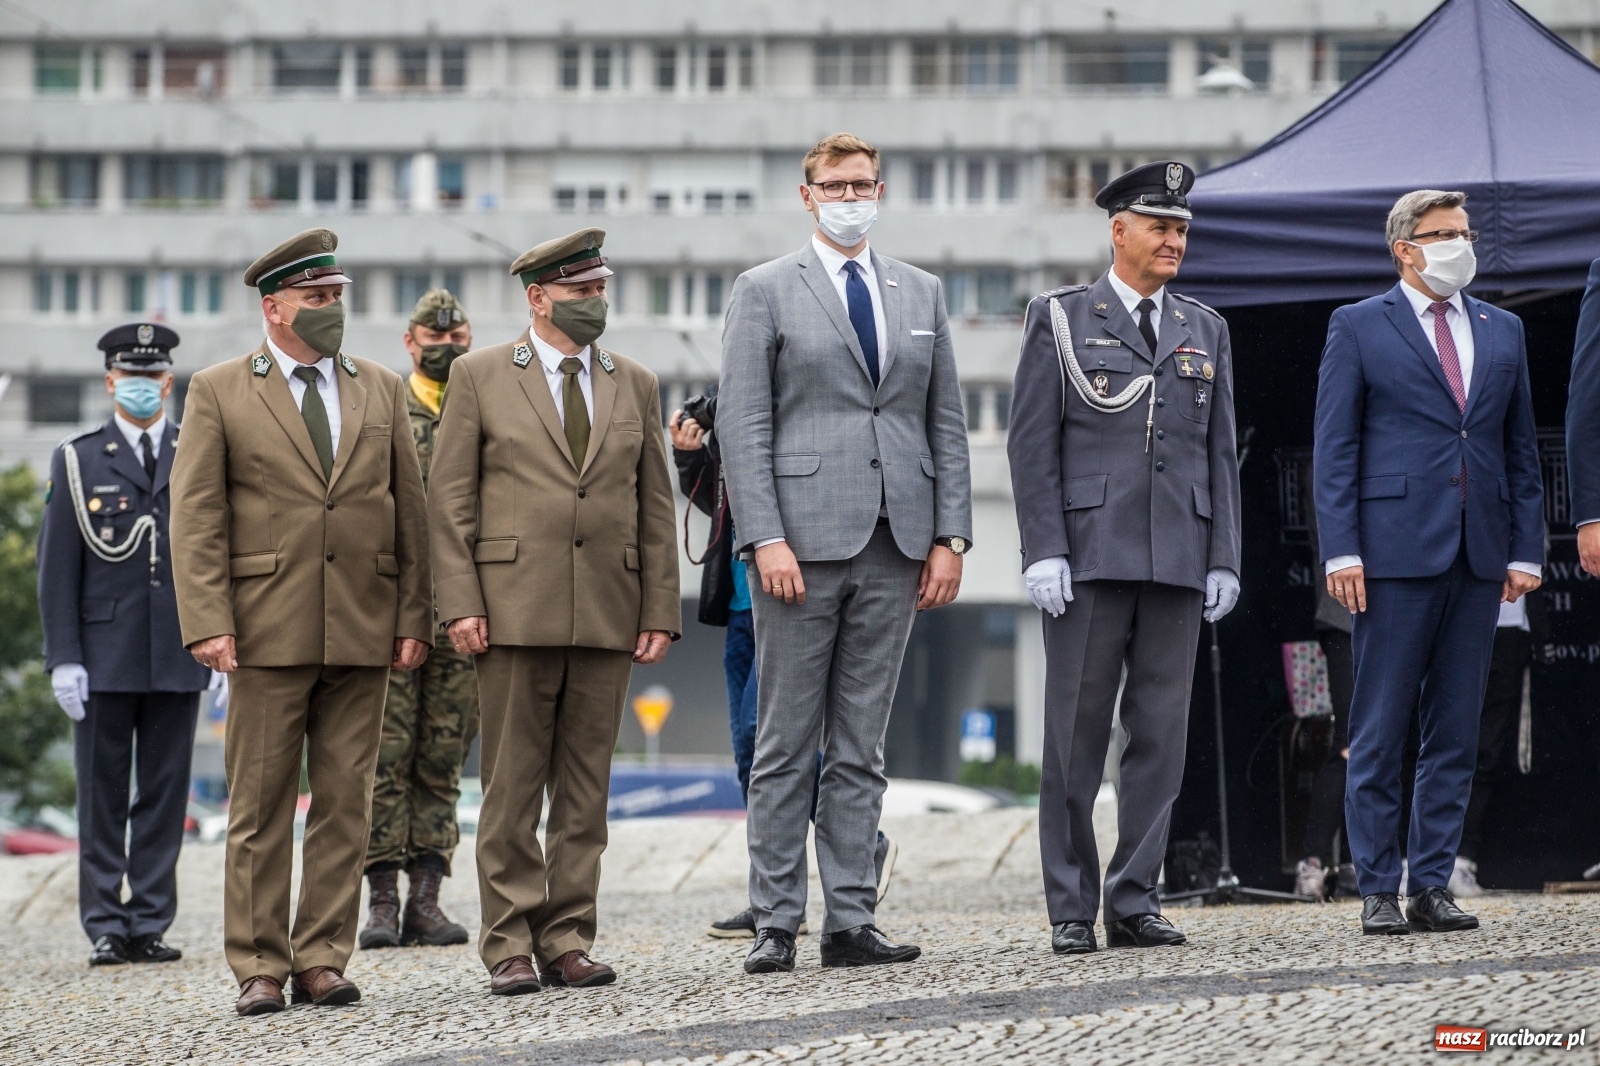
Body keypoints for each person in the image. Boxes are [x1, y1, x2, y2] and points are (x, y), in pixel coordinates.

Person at [718, 132, 972, 975]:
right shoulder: (762, 291)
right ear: (807, 194)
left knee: (863, 745)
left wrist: (950, 536)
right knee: (786, 743)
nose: (850, 195)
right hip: (800, 541)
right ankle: (776, 920)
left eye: (862, 183)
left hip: (897, 540)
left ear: (882, 189)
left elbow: (945, 422)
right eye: (835, 184)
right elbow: (742, 425)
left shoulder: (921, 291)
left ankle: (851, 919)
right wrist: (764, 537)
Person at [170, 228, 433, 1015]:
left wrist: (412, 612)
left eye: (337, 298)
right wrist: (208, 621)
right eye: (316, 299)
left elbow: (408, 512)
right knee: (258, 804)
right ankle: (258, 963)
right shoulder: (219, 388)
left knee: (346, 803)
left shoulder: (379, 386)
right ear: (274, 307)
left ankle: (322, 956)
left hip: (362, 623)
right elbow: (197, 516)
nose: (331, 311)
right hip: (262, 628)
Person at [427, 227, 680, 996]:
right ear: (537, 298)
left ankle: (568, 936)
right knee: (510, 787)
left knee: (584, 793)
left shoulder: (632, 379)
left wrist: (658, 608)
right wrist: (460, 602)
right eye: (579, 291)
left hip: (607, 609)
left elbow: (654, 503)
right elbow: (450, 500)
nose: (593, 302)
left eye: (600, 288)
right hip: (510, 610)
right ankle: (507, 941)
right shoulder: (478, 376)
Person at [1008, 161, 1242, 956]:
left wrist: (1224, 556)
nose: (1174, 240)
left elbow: (1218, 455)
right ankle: (1071, 904)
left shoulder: (1205, 328)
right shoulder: (1064, 317)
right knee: (1074, 738)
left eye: (1181, 229)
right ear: (1119, 230)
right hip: (1091, 556)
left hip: (1178, 554)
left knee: (1160, 737)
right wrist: (1044, 549)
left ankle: (1135, 897)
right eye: (1159, 227)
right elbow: (1032, 444)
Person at [1313, 190, 1544, 937]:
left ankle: (1432, 883)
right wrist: (1342, 547)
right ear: (1403, 249)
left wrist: (1526, 547)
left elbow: (1519, 448)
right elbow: (1335, 448)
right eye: (1442, 234)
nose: (1458, 244)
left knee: (1455, 727)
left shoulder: (1501, 328)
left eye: (1464, 233)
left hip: (1479, 553)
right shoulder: (1357, 326)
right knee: (1380, 726)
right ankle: (1379, 883)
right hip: (1391, 554)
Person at [37, 323, 211, 967]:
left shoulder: (196, 449)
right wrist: (64, 657)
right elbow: (56, 566)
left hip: (178, 650)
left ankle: (150, 921)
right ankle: (106, 922)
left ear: (169, 382)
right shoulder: (78, 459)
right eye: (129, 377)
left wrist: (220, 640)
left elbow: (213, 552)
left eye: (152, 377)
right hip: (103, 655)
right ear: (110, 382)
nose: (141, 387)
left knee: (165, 796)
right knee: (103, 795)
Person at [359, 289, 480, 951]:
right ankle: (380, 899)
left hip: (463, 614)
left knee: (443, 757)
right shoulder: (384, 411)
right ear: (410, 343)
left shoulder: (485, 407)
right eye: (433, 340)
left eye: (457, 336)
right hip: (393, 613)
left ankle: (427, 899)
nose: (446, 347)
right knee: (384, 757)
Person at [1451, 571, 1550, 896]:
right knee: (1430, 741)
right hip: (1447, 615)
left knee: (1484, 748)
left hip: (1506, 621)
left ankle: (1461, 860)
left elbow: (1535, 538)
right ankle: (1415, 861)